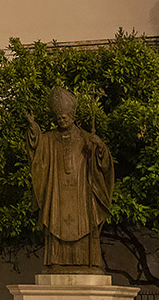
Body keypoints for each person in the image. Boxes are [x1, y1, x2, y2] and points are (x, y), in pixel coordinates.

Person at [25, 86, 115, 272]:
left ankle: (86, 262)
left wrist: (100, 149)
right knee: (56, 224)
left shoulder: (86, 138)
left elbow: (104, 166)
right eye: (58, 117)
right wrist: (34, 129)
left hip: (82, 192)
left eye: (64, 116)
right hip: (57, 192)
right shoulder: (49, 139)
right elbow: (37, 152)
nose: (61, 119)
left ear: (72, 116)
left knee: (84, 227)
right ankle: (56, 262)